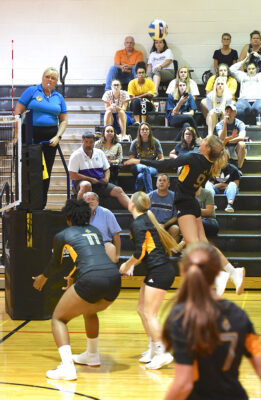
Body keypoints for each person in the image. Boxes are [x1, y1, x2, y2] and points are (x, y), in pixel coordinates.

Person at [125, 135, 245, 296]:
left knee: (194, 245)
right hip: (192, 203)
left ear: (208, 148)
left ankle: (218, 274)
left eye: (204, 141)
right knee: (202, 242)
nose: (200, 142)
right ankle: (230, 271)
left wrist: (139, 161)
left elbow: (166, 164)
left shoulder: (194, 157)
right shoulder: (210, 165)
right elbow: (198, 188)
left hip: (185, 204)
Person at [32, 199, 121, 380]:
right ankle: (92, 355)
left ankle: (67, 368)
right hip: (114, 279)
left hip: (92, 278)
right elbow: (90, 256)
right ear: (87, 215)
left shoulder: (63, 235)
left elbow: (56, 264)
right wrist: (73, 276)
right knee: (90, 310)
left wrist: (43, 277)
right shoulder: (95, 231)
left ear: (68, 218)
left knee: (58, 318)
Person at [163, 241, 261, 400]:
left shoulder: (181, 317)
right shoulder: (239, 315)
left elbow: (184, 384)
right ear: (217, 273)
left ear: (182, 271)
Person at [119, 191, 178, 370]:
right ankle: (153, 349)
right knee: (141, 310)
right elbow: (144, 250)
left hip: (160, 271)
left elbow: (140, 253)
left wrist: (127, 265)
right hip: (157, 270)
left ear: (132, 204)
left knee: (150, 314)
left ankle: (163, 352)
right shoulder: (144, 221)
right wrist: (132, 264)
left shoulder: (139, 224)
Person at [14, 67, 68, 209]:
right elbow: (17, 112)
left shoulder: (59, 97)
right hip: (29, 135)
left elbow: (63, 120)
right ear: (42, 77)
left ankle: (41, 204)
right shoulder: (32, 91)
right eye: (47, 76)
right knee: (28, 170)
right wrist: (16, 136)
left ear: (56, 81)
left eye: (53, 78)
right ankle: (24, 202)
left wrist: (58, 136)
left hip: (50, 139)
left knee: (46, 172)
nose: (49, 80)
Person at [68, 132, 129, 209]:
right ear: (82, 142)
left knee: (118, 190)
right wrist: (90, 179)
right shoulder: (76, 155)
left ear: (94, 143)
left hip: (99, 182)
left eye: (91, 142)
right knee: (86, 185)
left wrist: (106, 179)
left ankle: (136, 212)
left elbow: (107, 169)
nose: (88, 144)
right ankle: (79, 212)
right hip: (81, 183)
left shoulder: (99, 153)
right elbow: (72, 175)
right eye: (86, 142)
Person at [83, 192, 121, 263]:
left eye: (93, 199)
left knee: (110, 247)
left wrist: (117, 254)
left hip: (104, 244)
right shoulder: (79, 214)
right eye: (88, 199)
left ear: (97, 202)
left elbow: (116, 234)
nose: (90, 201)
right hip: (85, 245)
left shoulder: (106, 213)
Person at [128, 122, 163, 193]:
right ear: (139, 131)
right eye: (142, 129)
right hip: (138, 166)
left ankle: (137, 194)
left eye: (147, 129)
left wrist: (156, 163)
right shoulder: (135, 142)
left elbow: (161, 158)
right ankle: (150, 194)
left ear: (149, 131)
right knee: (144, 168)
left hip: (152, 167)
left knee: (141, 176)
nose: (144, 131)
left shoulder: (155, 142)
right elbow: (131, 159)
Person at [230, 54, 261, 124]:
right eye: (249, 69)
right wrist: (244, 60)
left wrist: (259, 57)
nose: (251, 70)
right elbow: (231, 70)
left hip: (258, 100)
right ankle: (239, 127)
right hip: (244, 100)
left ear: (257, 69)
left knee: (259, 107)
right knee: (239, 107)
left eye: (253, 68)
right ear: (246, 69)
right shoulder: (242, 75)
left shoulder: (260, 76)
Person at [148, 174, 180, 242]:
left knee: (175, 229)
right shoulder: (149, 196)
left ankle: (173, 251)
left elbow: (175, 217)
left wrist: (164, 225)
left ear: (168, 184)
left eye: (164, 180)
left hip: (167, 225)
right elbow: (144, 214)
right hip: (153, 225)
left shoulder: (174, 197)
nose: (161, 182)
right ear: (156, 184)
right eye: (159, 180)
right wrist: (155, 225)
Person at [216, 103, 246, 170]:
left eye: (231, 111)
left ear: (235, 113)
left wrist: (228, 140)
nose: (228, 113)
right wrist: (224, 124)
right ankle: (225, 169)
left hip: (235, 147)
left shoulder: (240, 123)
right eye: (227, 111)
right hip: (225, 146)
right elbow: (221, 138)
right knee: (221, 147)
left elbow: (242, 137)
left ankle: (239, 169)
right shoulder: (219, 124)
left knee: (242, 144)